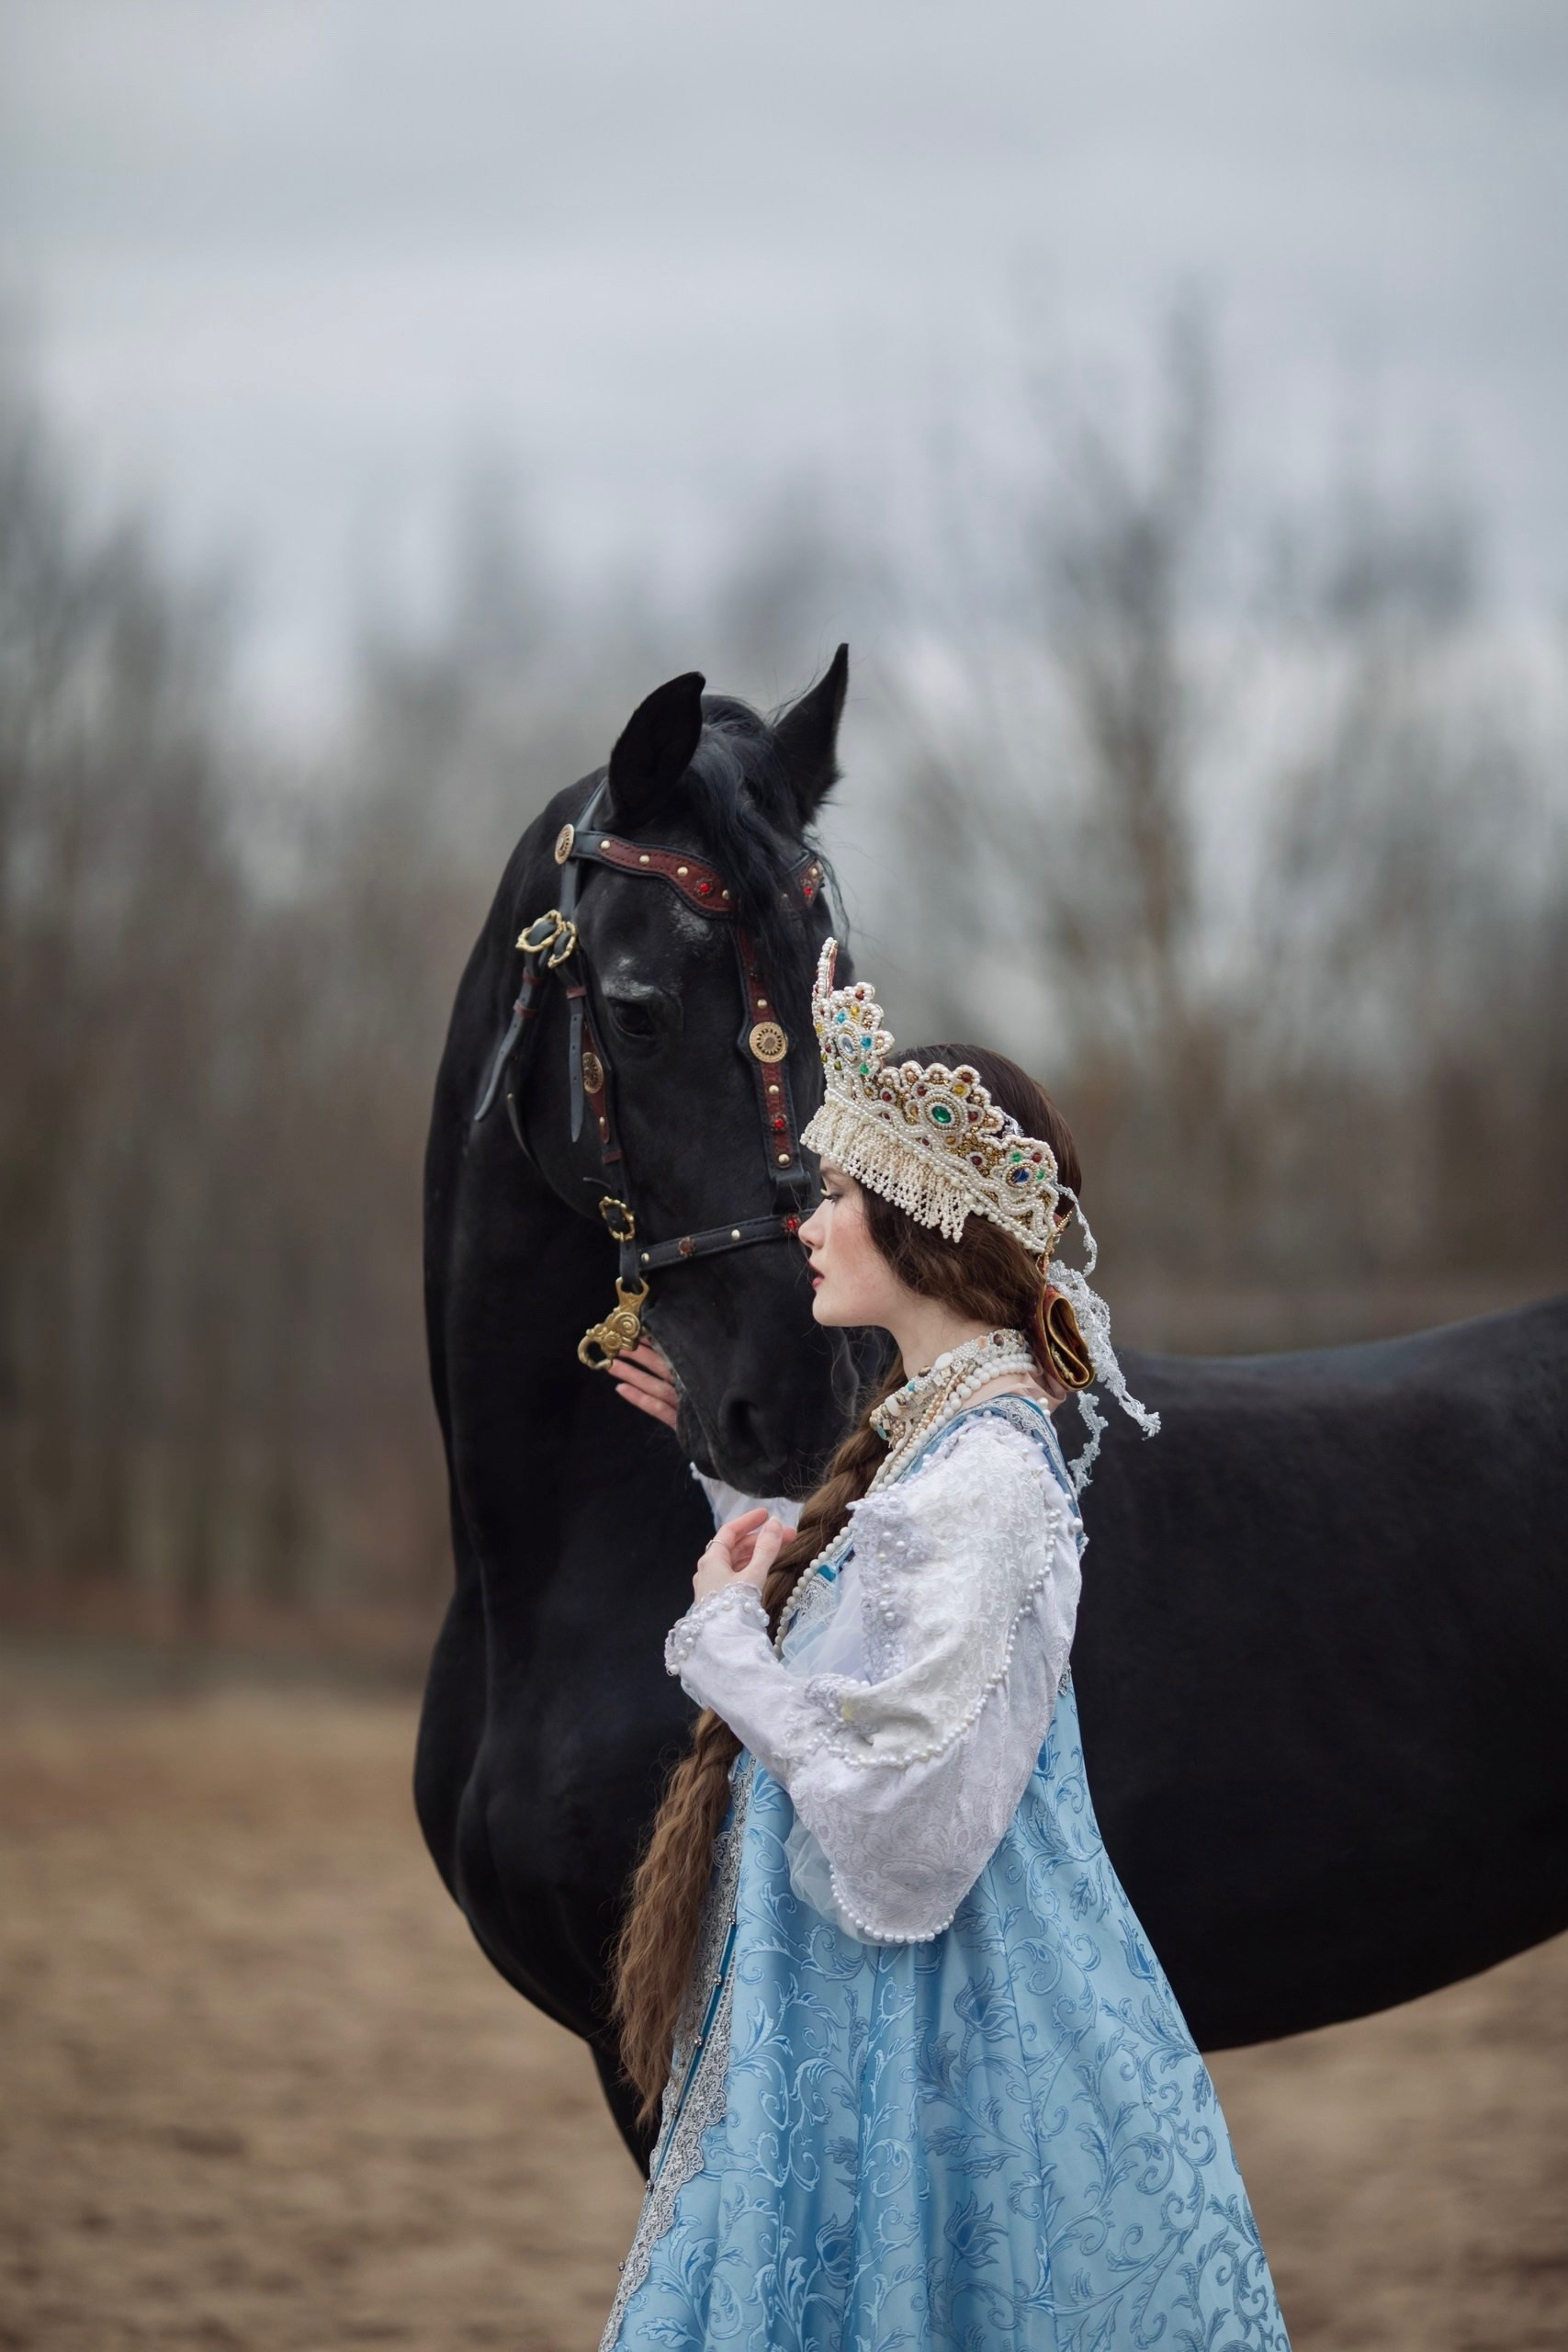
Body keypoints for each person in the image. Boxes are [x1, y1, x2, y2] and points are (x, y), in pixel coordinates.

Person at [598, 941, 1292, 2351]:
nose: (805, 1225)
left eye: (838, 1196)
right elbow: (880, 1612)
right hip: (885, 2024)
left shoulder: (982, 1481)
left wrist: (729, 1642)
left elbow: (901, 1839)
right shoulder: (944, 1452)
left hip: (936, 2032)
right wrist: (733, 1496)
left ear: (922, 1222)